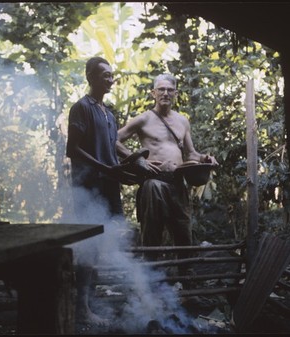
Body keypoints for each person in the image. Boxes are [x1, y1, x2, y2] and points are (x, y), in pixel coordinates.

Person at [116, 73, 219, 272]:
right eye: (161, 89)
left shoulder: (182, 121)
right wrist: (136, 158)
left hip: (178, 183)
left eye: (170, 90)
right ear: (153, 93)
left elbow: (191, 154)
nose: (165, 93)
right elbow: (113, 139)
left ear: (176, 94)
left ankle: (187, 286)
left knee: (184, 234)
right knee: (152, 234)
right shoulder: (144, 119)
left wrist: (206, 158)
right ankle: (152, 288)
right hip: (154, 183)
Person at [66, 56, 135, 325]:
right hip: (88, 187)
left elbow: (112, 148)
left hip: (107, 186)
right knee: (88, 246)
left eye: (111, 74)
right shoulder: (81, 108)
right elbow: (73, 149)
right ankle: (81, 308)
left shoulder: (109, 114)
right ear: (90, 77)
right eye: (104, 75)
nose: (110, 79)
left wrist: (135, 162)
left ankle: (85, 303)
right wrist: (105, 169)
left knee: (100, 246)